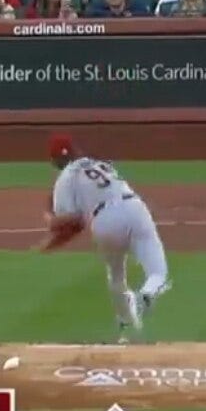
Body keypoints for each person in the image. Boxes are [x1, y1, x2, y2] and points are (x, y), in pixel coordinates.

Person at [40, 133, 169, 342]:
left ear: (55, 159)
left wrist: (50, 224)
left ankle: (126, 327)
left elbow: (73, 222)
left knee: (116, 275)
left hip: (105, 221)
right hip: (135, 207)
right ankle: (145, 294)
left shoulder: (65, 178)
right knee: (158, 273)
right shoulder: (100, 164)